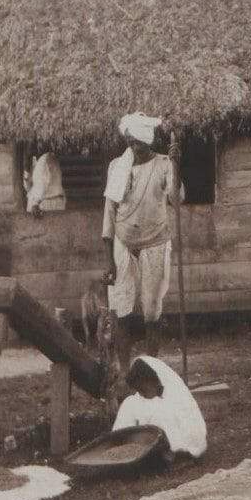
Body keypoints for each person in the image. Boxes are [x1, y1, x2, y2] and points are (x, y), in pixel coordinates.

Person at [102, 112, 181, 374]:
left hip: (155, 243)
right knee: (122, 309)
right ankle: (125, 372)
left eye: (140, 143)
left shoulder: (164, 164)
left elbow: (176, 198)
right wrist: (108, 257)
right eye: (131, 143)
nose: (135, 148)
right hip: (123, 244)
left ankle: (151, 369)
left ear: (149, 143)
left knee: (152, 311)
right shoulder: (117, 167)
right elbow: (109, 212)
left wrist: (177, 165)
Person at [111, 355, 207, 464]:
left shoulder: (177, 397)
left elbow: (192, 433)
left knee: (161, 413)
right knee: (129, 403)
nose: (141, 393)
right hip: (145, 443)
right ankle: (123, 452)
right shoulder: (138, 399)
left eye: (143, 389)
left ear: (154, 381)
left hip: (175, 445)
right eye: (138, 390)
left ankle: (169, 455)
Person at [25, 147, 66, 217]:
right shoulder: (51, 158)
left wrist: (36, 203)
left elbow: (42, 183)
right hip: (56, 199)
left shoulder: (44, 161)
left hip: (45, 202)